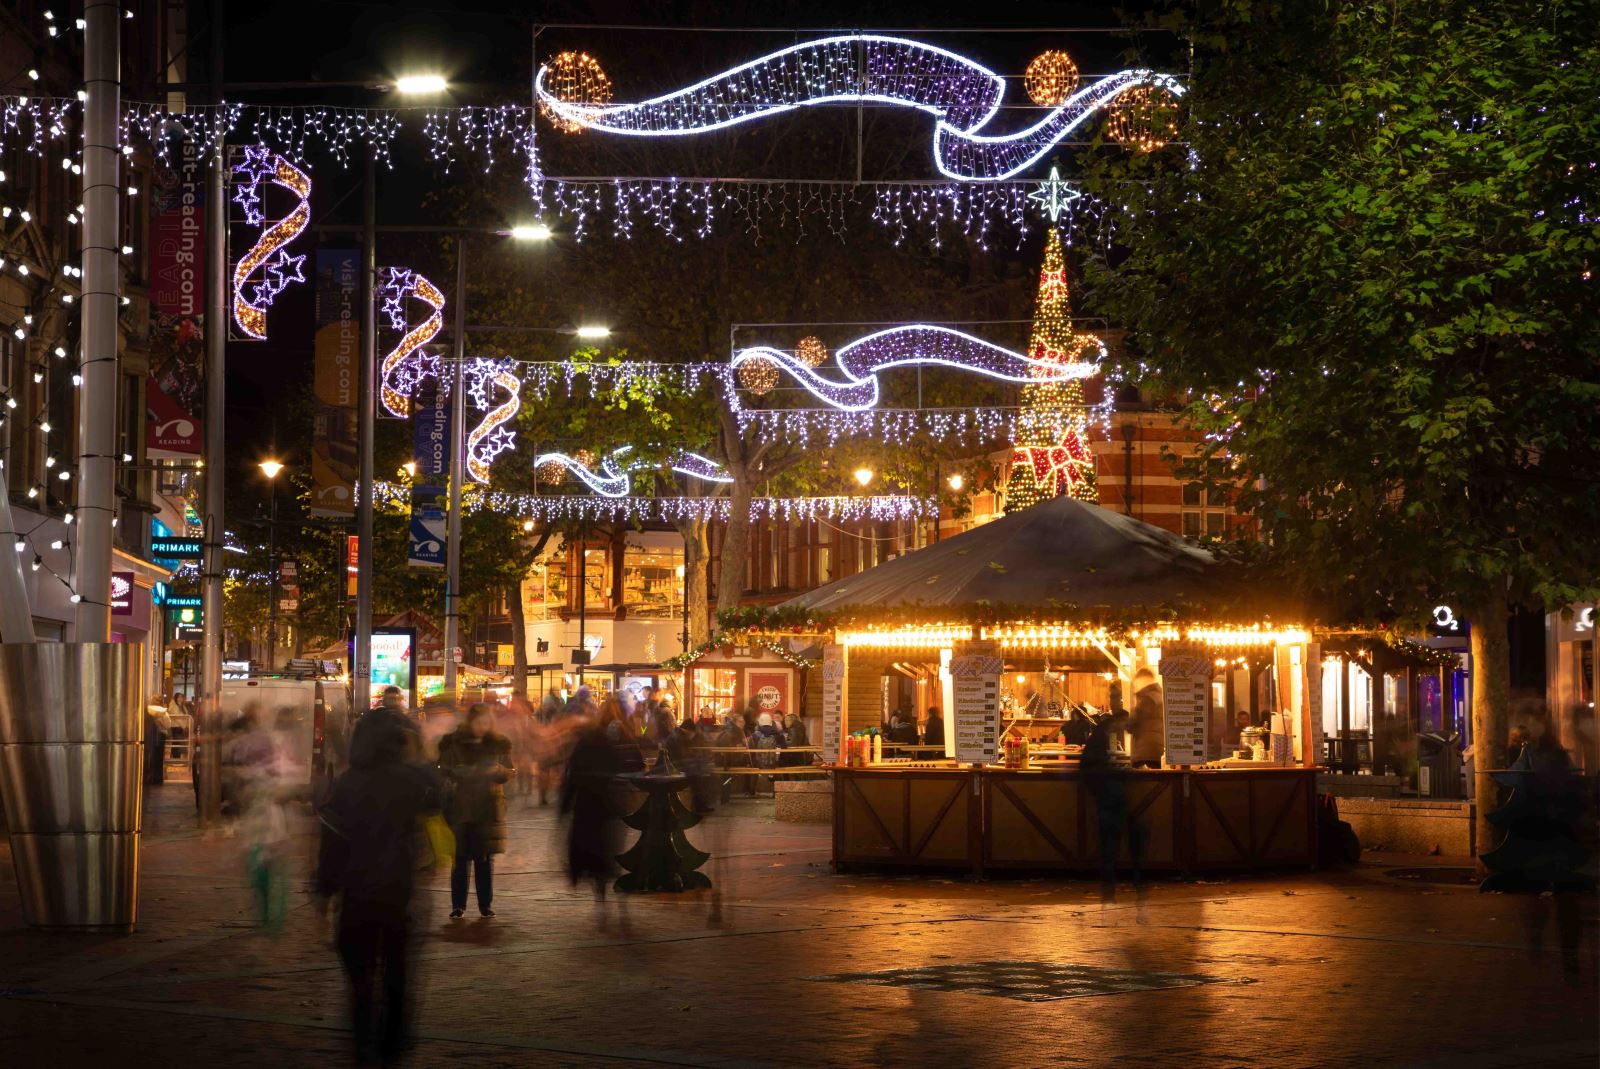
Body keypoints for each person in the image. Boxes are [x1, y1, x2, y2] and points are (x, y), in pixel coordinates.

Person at [316, 710, 444, 1066]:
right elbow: (439, 799)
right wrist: (416, 753)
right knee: (397, 971)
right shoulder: (411, 779)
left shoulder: (345, 784)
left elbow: (331, 847)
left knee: (359, 980)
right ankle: (392, 1043)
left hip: (356, 895)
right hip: (398, 892)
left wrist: (323, 894)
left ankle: (362, 1045)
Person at [436, 703, 513, 919]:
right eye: (479, 722)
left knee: (484, 860)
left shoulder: (498, 745)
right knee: (460, 860)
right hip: (461, 808)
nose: (482, 727)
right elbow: (441, 768)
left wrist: (497, 770)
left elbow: (509, 770)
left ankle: (485, 905)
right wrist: (458, 772)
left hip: (488, 810)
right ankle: (458, 905)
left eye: (486, 723)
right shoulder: (453, 744)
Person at [561, 709, 623, 903]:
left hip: (585, 807)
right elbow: (617, 773)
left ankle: (586, 879)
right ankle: (601, 889)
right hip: (605, 807)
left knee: (585, 848)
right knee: (603, 852)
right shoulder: (608, 745)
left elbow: (571, 779)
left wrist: (564, 806)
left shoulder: (581, 747)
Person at [1128, 670, 1165, 768]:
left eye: (1136, 683)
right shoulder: (1160, 696)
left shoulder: (1147, 699)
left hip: (1145, 754)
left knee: (1144, 782)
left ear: (1142, 680)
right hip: (1158, 751)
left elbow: (1131, 723)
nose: (1135, 686)